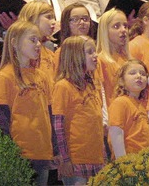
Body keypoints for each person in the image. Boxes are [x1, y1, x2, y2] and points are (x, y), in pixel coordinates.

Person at [0, 21, 55, 185]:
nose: (38, 44)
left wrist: (54, 149)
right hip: (19, 155)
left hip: (42, 153)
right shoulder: (5, 76)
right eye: (32, 40)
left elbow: (49, 114)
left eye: (39, 40)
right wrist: (8, 152)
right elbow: (1, 118)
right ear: (14, 42)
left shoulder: (42, 76)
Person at [52, 35, 105, 185]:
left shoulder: (92, 85)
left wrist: (104, 156)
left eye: (95, 51)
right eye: (90, 52)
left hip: (96, 160)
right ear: (75, 56)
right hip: (76, 161)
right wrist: (66, 159)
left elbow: (97, 124)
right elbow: (58, 126)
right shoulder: (63, 86)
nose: (95, 56)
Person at [108, 59, 149, 158]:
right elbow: (116, 134)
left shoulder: (143, 104)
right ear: (121, 80)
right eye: (132, 73)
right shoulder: (120, 102)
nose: (139, 76)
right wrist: (123, 162)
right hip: (129, 162)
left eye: (143, 74)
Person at [17, 2, 58, 83]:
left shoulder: (50, 54)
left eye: (54, 18)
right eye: (48, 17)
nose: (54, 22)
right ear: (33, 18)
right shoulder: (24, 53)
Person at [95, 9, 129, 106]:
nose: (123, 30)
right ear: (105, 31)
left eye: (125, 26)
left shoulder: (128, 59)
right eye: (116, 26)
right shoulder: (100, 60)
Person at [54, 3, 94, 75]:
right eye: (75, 19)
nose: (82, 22)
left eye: (85, 19)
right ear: (66, 23)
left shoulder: (94, 50)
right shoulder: (61, 53)